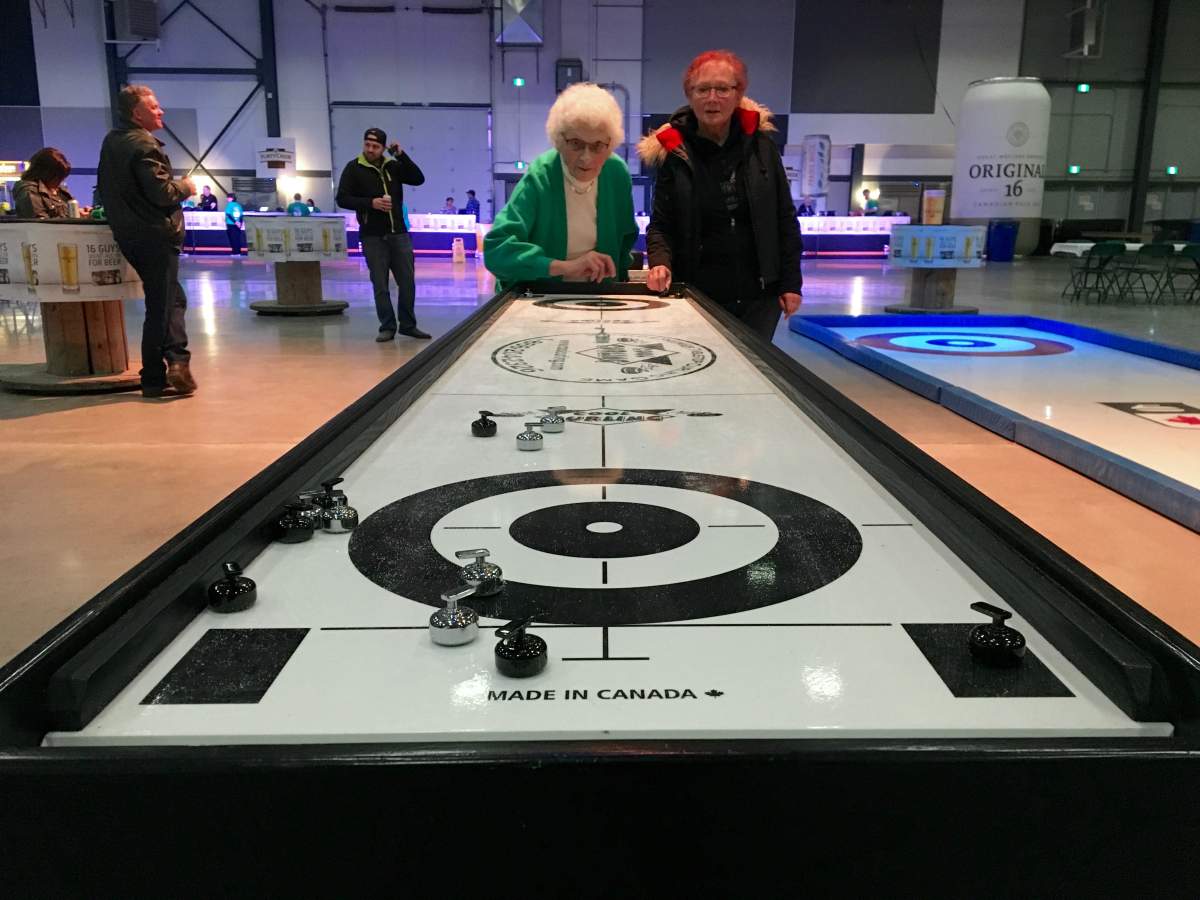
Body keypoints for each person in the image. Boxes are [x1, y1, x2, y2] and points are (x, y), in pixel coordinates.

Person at [639, 50, 802, 343]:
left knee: (754, 375)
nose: (712, 98)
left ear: (739, 93)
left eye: (723, 89)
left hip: (759, 297)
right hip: (698, 294)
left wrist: (791, 283)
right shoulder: (673, 152)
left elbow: (784, 217)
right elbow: (661, 224)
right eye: (702, 89)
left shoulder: (763, 146)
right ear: (690, 94)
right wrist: (660, 262)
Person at [484, 83, 637, 292]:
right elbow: (497, 251)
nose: (586, 157)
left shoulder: (617, 173)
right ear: (558, 140)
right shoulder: (541, 175)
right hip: (540, 295)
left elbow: (624, 242)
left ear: (610, 144)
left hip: (599, 295)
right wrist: (566, 268)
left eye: (597, 146)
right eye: (576, 143)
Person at [97, 84, 197, 399]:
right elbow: (162, 192)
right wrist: (186, 186)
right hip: (154, 234)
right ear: (137, 113)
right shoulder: (143, 145)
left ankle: (171, 364)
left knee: (171, 300)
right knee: (162, 305)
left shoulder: (112, 142)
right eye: (154, 107)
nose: (161, 111)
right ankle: (161, 372)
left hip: (129, 233)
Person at [336, 127, 430, 341]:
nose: (370, 149)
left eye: (376, 146)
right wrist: (371, 203)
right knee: (380, 284)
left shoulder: (393, 167)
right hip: (373, 237)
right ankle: (387, 326)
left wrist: (401, 155)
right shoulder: (354, 168)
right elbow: (342, 198)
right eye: (367, 145)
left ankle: (407, 324)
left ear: (382, 148)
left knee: (407, 282)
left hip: (399, 234)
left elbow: (418, 178)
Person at [13, 148, 82, 219]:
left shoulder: (60, 190)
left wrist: (79, 213)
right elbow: (40, 223)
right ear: (46, 174)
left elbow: (66, 214)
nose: (61, 181)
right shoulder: (29, 191)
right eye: (58, 177)